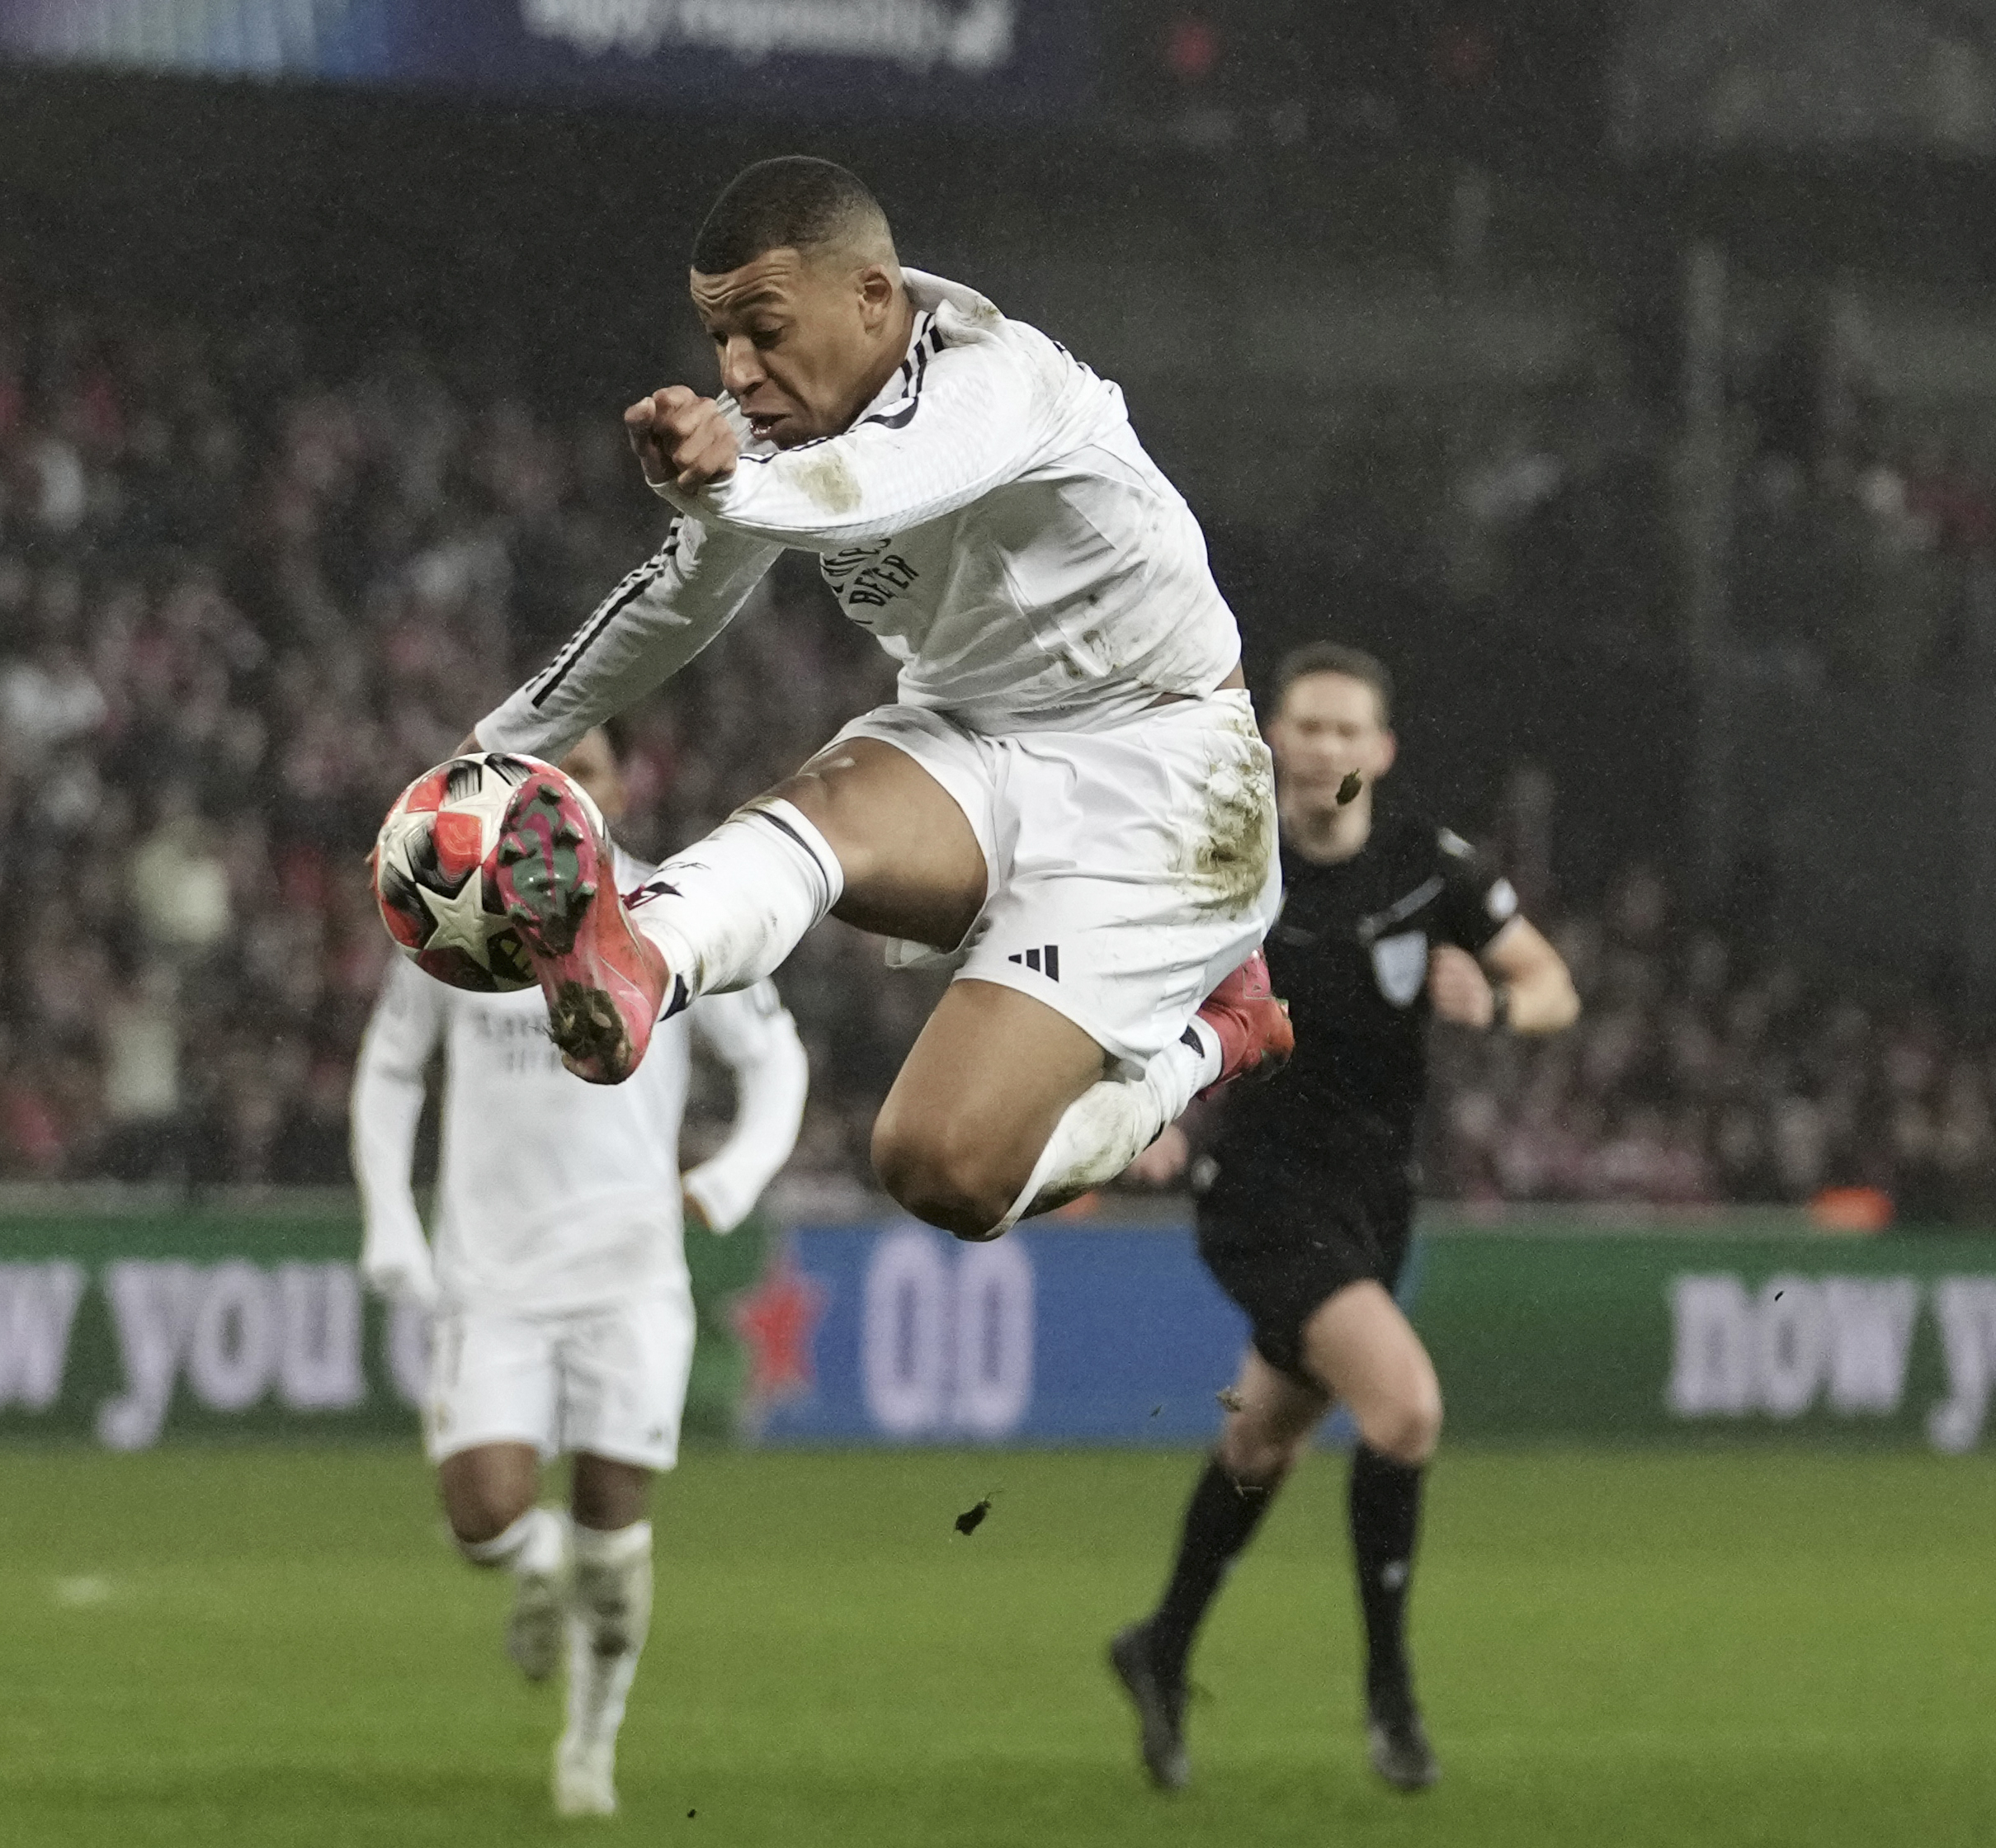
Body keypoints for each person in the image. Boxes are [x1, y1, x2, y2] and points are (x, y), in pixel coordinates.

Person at [452, 155, 1287, 1246]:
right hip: (969, 736)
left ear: (872, 297)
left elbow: (873, 491)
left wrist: (731, 485)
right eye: (718, 338)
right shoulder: (772, 433)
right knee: (826, 805)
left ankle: (1221, 1032)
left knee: (940, 1167)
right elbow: (673, 599)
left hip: (1169, 779)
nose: (738, 370)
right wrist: (487, 754)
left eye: (765, 330)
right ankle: (636, 962)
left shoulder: (999, 378)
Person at [1107, 644, 1580, 1792]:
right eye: (1307, 727)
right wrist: (1138, 1102)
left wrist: (1497, 1002)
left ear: (1382, 749)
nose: (1324, 748)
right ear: (1272, 738)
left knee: (1263, 1439)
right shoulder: (1225, 863)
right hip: (1260, 1194)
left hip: (1375, 1201)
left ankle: (1160, 1646)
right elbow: (1119, 987)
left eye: (1345, 730)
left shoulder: (1430, 868)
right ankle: (1390, 1698)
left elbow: (1553, 985)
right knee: (1405, 1410)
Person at [352, 729, 809, 1818]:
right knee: (484, 1519)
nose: (558, 797)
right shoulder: (456, 916)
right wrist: (390, 1217)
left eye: (586, 774)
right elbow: (390, 1068)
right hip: (491, 1277)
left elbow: (775, 1057)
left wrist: (733, 1176)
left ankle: (590, 1746)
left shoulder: (674, 911)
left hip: (629, 1274)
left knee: (617, 1538)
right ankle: (533, 1560)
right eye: (542, 778)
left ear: (615, 793)